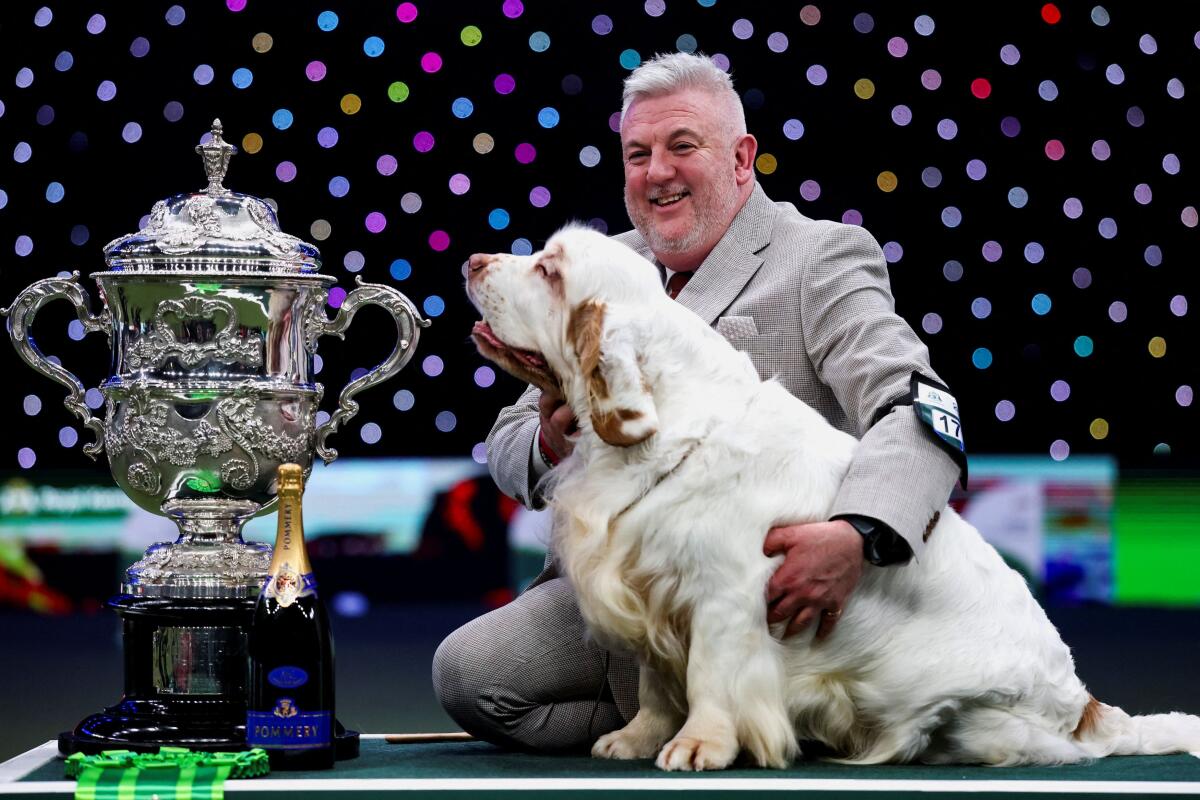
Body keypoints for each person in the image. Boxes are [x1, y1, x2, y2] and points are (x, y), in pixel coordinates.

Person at [433, 52, 963, 752]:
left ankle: (765, 711)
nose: (657, 172)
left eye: (683, 146)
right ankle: (684, 719)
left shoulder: (819, 256)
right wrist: (555, 436)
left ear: (743, 157)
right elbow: (505, 444)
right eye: (637, 153)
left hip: (770, 604)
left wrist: (857, 534)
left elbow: (915, 407)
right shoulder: (603, 260)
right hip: (622, 602)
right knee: (468, 677)